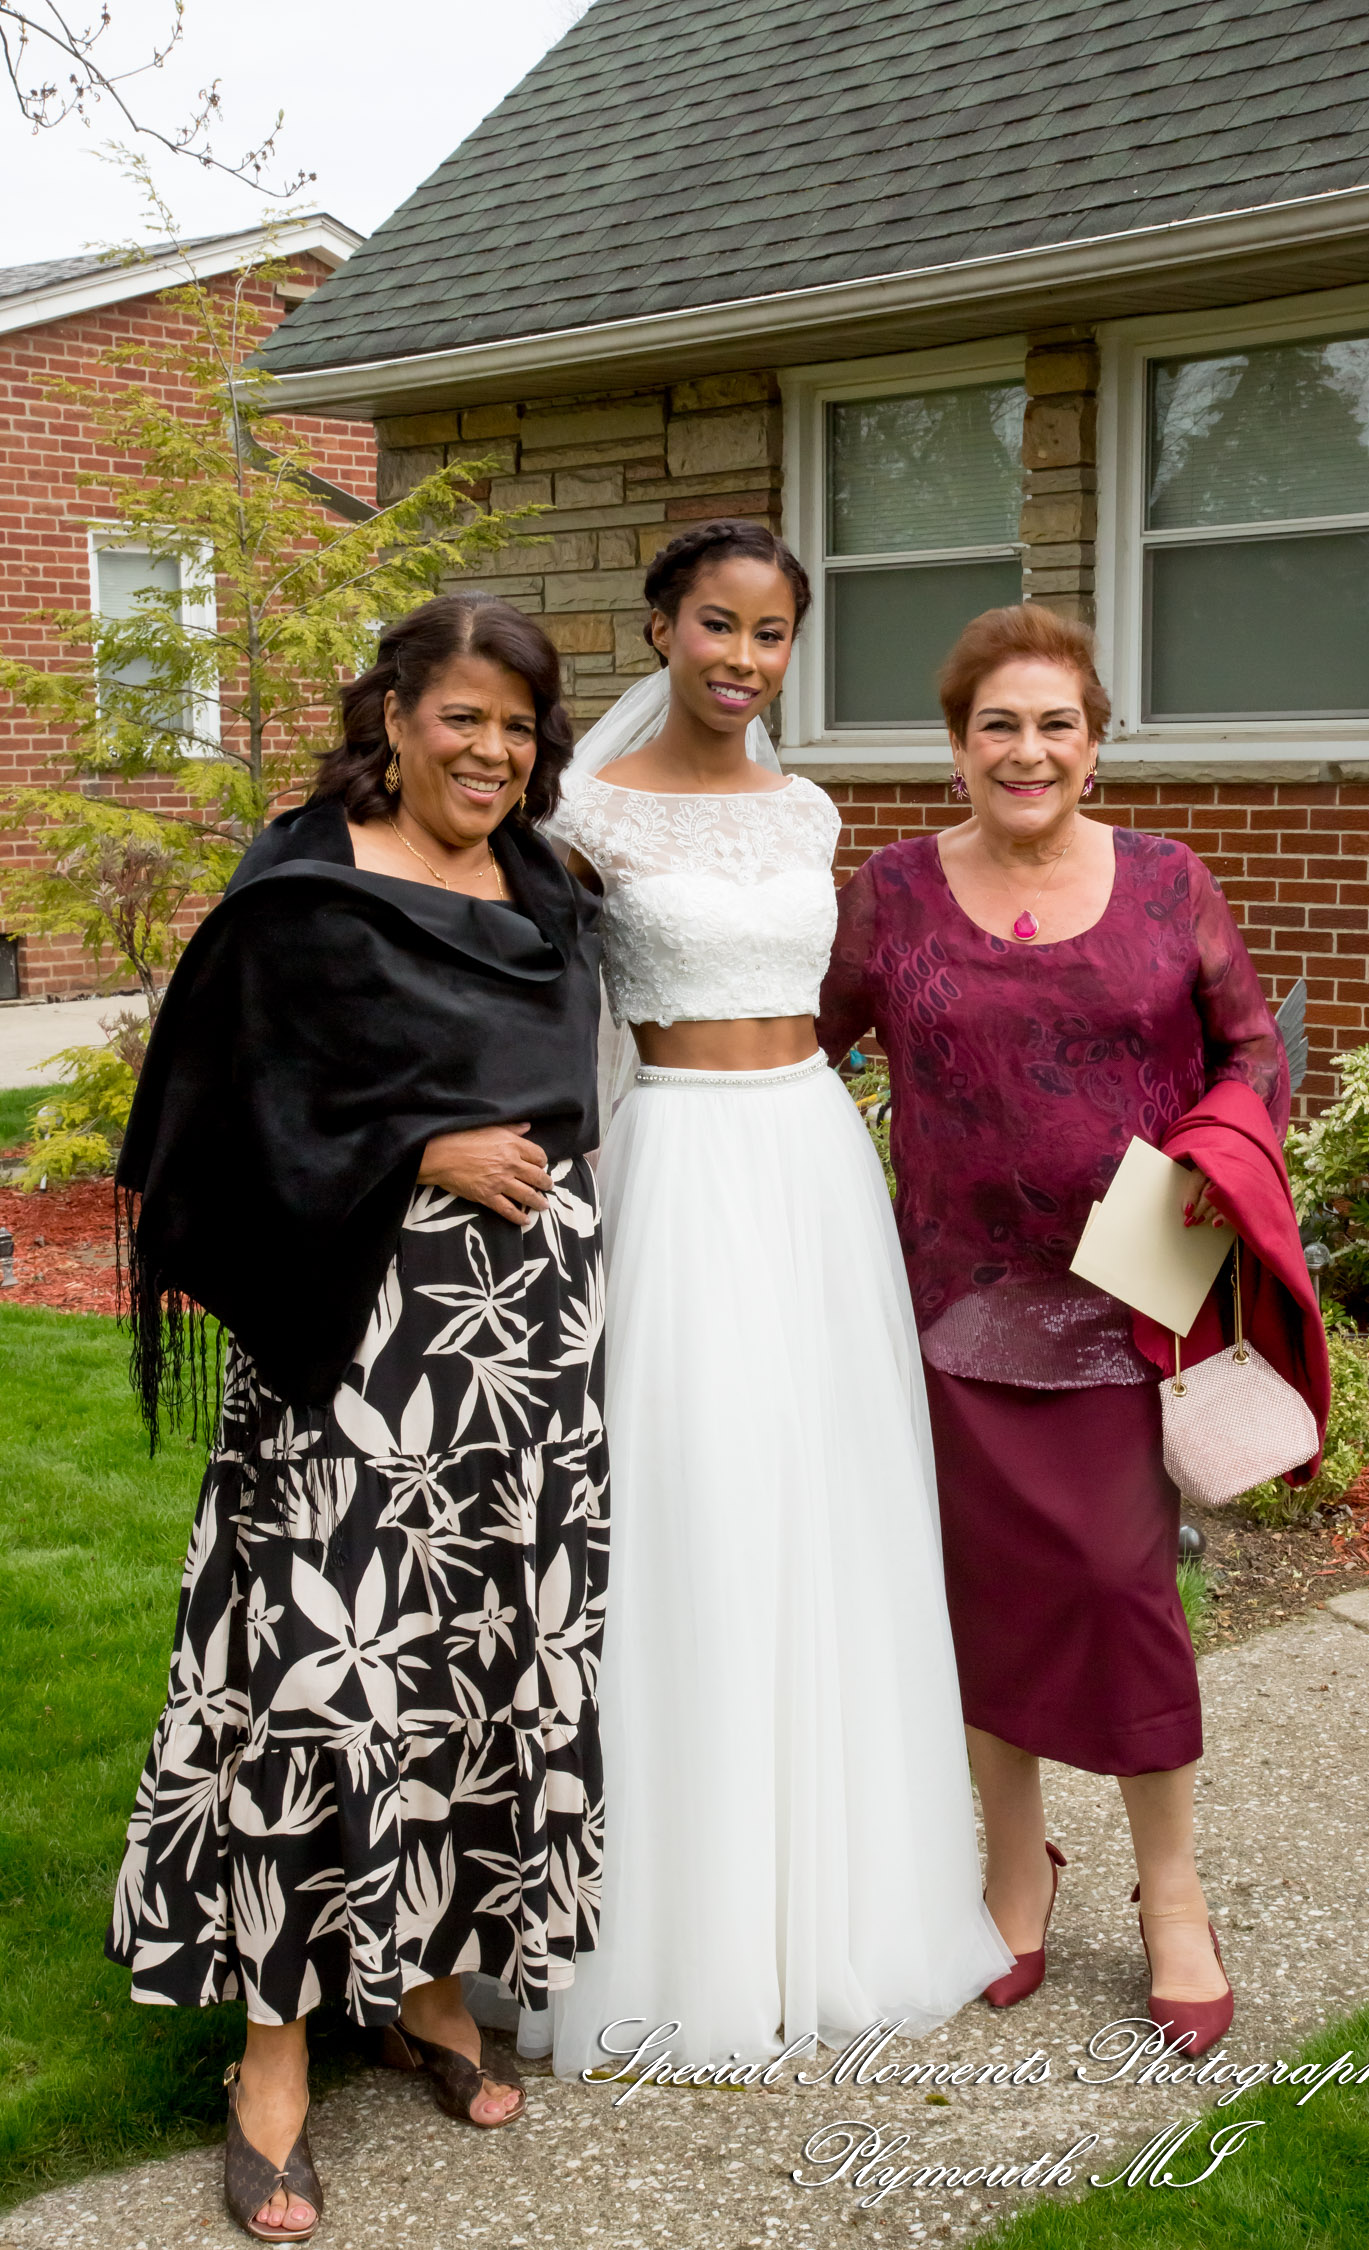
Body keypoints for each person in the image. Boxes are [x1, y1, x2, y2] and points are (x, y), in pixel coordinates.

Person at [109, 596, 608, 2242]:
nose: (491, 750)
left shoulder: (544, 885)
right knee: (328, 1678)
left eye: (518, 727)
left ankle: (434, 1991)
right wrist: (418, 1148)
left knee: (476, 1662)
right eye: (461, 716)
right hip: (357, 1350)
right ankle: (272, 2055)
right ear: (393, 713)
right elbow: (216, 1122)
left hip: (527, 1348)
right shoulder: (303, 885)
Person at [816, 602, 1321, 2060]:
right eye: (997, 724)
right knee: (985, 1605)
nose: (1025, 750)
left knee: (1118, 1590)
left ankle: (1176, 1891)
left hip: (1128, 1310)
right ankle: (1013, 1868)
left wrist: (1221, 1174)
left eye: (1055, 724)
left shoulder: (1169, 883)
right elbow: (804, 1044)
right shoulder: (897, 893)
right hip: (951, 1307)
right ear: (956, 747)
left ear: (1094, 747)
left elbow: (1248, 1051)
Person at [538, 519, 1008, 2076]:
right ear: (661, 625)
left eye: (772, 633)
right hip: (674, 1163)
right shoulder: (581, 815)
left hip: (811, 1166)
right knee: (692, 1501)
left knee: (831, 1505)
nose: (743, 658)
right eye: (717, 624)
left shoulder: (810, 812)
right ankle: (675, 1916)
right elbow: (536, 1006)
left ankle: (847, 1894)